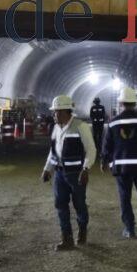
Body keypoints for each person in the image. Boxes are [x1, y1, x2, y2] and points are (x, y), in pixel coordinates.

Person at [101, 86, 137, 239]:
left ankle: (130, 229)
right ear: (135, 104)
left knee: (125, 198)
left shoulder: (113, 123)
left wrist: (104, 161)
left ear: (121, 103)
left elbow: (107, 145)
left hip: (122, 168)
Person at [41, 94, 97, 251]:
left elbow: (91, 149)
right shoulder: (55, 129)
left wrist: (86, 169)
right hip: (59, 174)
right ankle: (67, 238)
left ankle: (82, 230)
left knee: (79, 204)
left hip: (76, 174)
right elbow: (53, 152)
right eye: (54, 112)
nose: (54, 115)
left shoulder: (81, 126)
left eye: (56, 112)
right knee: (60, 204)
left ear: (66, 112)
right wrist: (47, 169)